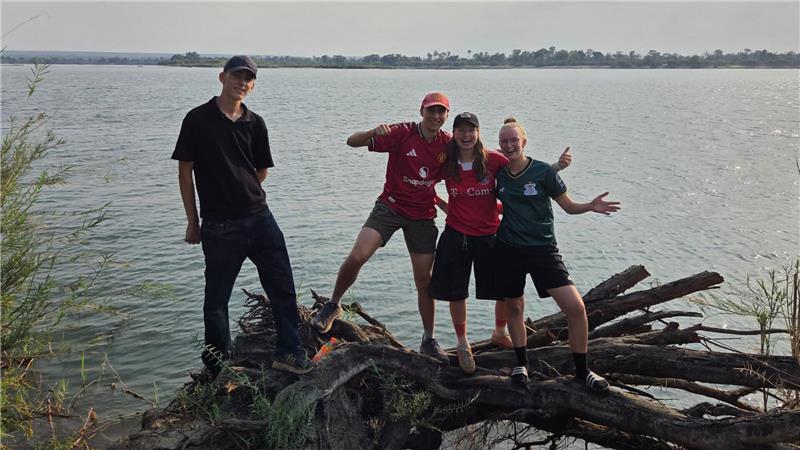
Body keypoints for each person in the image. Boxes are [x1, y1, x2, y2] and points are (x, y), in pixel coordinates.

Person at [172, 55, 312, 376]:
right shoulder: (197, 119)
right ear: (222, 77)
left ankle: (289, 353)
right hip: (219, 225)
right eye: (237, 76)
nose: (242, 82)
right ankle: (217, 366)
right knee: (216, 300)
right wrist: (193, 222)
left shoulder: (255, 123)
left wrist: (241, 188)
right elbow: (185, 172)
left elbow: (261, 171)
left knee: (283, 288)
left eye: (248, 78)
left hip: (261, 218)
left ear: (253, 85)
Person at [312, 93, 451, 363]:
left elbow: (469, 165)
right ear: (421, 111)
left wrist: (446, 203)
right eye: (431, 111)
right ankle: (333, 305)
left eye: (441, 112)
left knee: (424, 280)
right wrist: (372, 132)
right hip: (390, 207)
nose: (436, 116)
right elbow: (352, 141)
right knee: (358, 255)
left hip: (422, 215)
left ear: (446, 115)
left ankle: (428, 339)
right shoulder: (403, 133)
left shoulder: (447, 143)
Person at [429, 112, 570, 374]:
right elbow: (426, 180)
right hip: (457, 234)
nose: (466, 135)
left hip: (490, 234)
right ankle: (462, 343)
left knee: (505, 290)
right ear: (454, 134)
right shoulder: (447, 161)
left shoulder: (493, 159)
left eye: (471, 130)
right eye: (461, 130)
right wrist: (438, 203)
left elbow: (526, 172)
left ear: (478, 133)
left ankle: (499, 331)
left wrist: (556, 168)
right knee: (456, 292)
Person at [495, 117, 619, 392]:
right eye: (504, 141)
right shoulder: (499, 175)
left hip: (543, 250)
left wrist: (590, 206)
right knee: (514, 307)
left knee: (576, 307)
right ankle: (521, 364)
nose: (509, 145)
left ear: (523, 141)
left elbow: (568, 207)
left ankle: (582, 371)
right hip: (508, 249)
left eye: (514, 140)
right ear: (500, 145)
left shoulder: (543, 172)